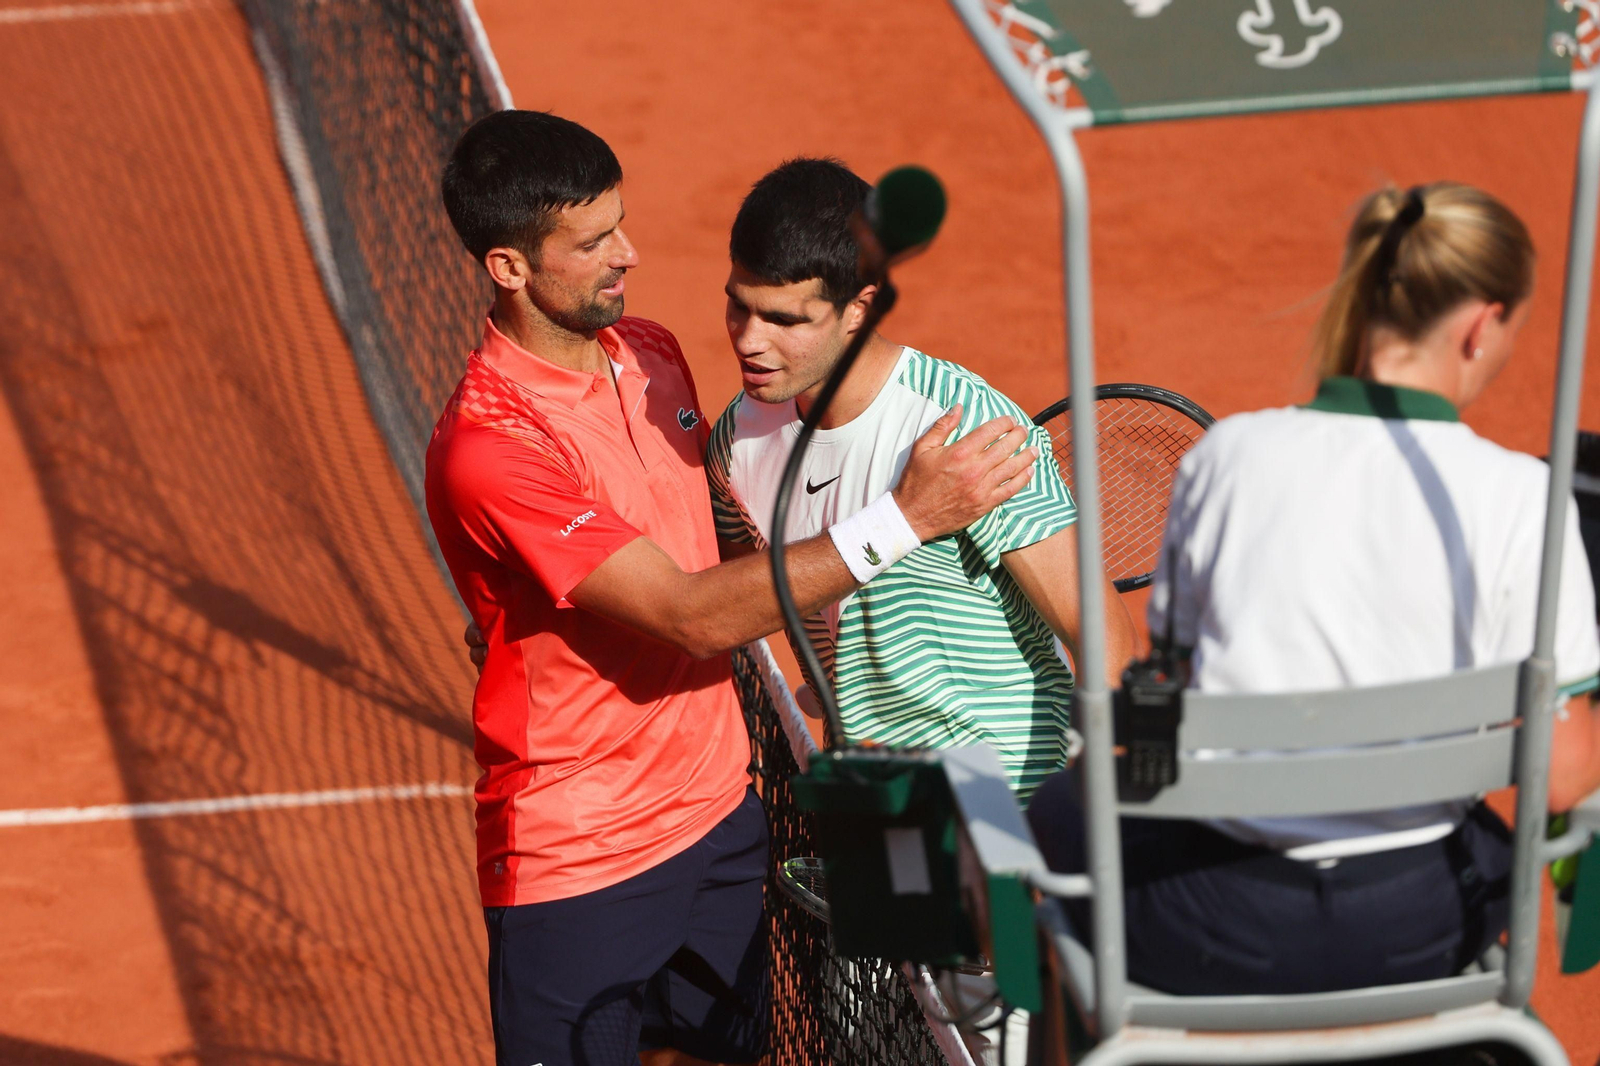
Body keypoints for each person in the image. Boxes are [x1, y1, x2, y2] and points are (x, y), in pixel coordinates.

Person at [425, 110, 1039, 1066]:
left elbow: (712, 535)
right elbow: (689, 614)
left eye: (620, 223)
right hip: (579, 854)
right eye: (592, 243)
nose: (627, 254)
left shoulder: (652, 352)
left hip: (718, 819)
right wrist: (906, 520)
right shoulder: (491, 447)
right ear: (509, 267)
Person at [1029, 182, 1600, 997]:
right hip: (1425, 931)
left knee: (1056, 809)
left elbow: (1167, 710)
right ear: (1482, 324)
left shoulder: (1230, 456)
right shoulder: (1525, 495)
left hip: (1205, 932)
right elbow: (1570, 772)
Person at [702, 158, 1138, 1065]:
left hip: (1008, 828)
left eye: (786, 319)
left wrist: (1072, 849)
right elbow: (763, 608)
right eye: (739, 305)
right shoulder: (735, 441)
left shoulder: (960, 425)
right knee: (878, 1045)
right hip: (882, 821)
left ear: (858, 309)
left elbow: (1104, 642)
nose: (751, 339)